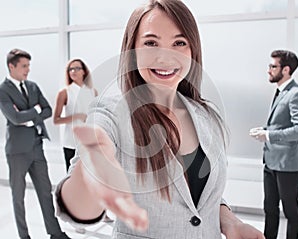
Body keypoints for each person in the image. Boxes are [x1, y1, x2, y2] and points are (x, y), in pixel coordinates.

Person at [55, 1, 265, 238]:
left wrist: (230, 222)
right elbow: (81, 207)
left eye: (179, 43)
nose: (165, 58)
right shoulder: (111, 114)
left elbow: (200, 197)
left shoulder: (206, 115)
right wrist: (93, 171)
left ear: (193, 50)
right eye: (151, 43)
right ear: (132, 50)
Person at [0, 49, 71, 239]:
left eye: (29, 66)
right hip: (17, 151)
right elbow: (14, 117)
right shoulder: (3, 90)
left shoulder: (32, 86)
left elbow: (47, 109)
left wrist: (29, 116)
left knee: (46, 192)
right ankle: (24, 236)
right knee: (18, 196)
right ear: (11, 66)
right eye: (24, 66)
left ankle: (55, 233)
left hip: (37, 147)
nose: (28, 70)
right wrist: (35, 111)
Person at [53, 59, 113, 229]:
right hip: (71, 143)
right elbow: (56, 119)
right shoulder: (65, 92)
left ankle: (104, 211)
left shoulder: (92, 91)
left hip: (91, 142)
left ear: (84, 71)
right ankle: (76, 219)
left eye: (77, 68)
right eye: (70, 69)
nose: (73, 71)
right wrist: (76, 117)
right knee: (74, 179)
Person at [250, 50, 298, 239]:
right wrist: (263, 130)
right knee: (270, 208)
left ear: (286, 69)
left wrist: (269, 135)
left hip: (287, 164)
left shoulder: (295, 94)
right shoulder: (281, 91)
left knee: (291, 211)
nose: (269, 70)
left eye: (273, 66)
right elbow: (280, 124)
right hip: (270, 161)